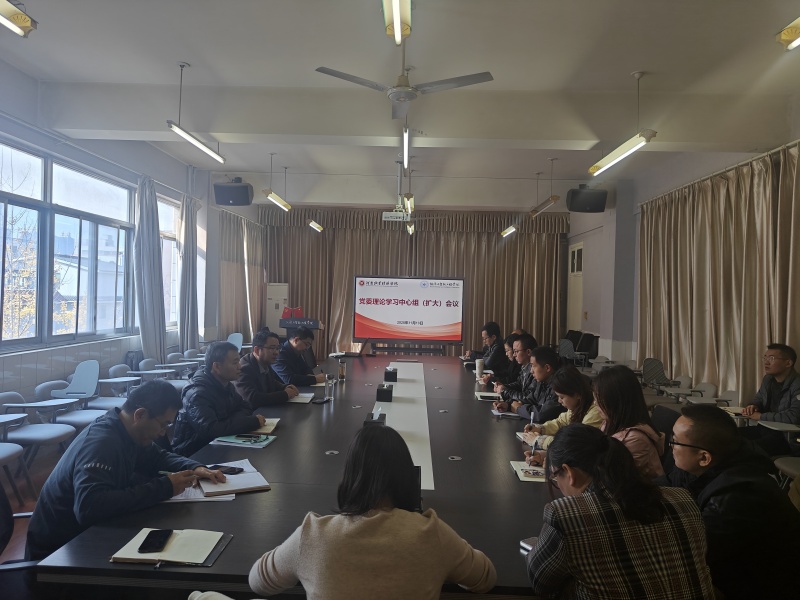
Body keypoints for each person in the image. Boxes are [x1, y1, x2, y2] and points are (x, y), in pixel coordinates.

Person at [248, 426, 496, 599]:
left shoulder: (313, 536)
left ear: (350, 476)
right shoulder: (432, 534)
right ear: (407, 477)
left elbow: (257, 582)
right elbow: (485, 578)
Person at [25, 380, 226, 560]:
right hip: (59, 553)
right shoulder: (102, 444)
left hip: (90, 533)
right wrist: (165, 487)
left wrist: (195, 466)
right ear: (140, 414)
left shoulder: (127, 430)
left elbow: (158, 456)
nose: (162, 433)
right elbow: (89, 507)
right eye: (163, 425)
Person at [526, 424, 714, 599]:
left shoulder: (566, 515)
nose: (557, 485)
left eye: (555, 477)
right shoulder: (684, 498)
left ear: (569, 472)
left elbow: (540, 583)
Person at [662, 404, 800, 599]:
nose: (671, 446)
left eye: (675, 441)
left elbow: (692, 553)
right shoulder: (715, 459)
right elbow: (668, 483)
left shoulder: (738, 497)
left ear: (704, 457)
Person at [172, 341, 266, 457]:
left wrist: (227, 423)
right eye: (235, 362)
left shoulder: (226, 385)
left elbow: (245, 406)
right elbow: (211, 430)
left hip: (220, 444)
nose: (240, 366)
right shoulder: (197, 393)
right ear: (216, 366)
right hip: (194, 453)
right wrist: (252, 421)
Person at [593, 365, 665, 478]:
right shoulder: (609, 422)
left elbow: (609, 474)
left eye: (599, 399)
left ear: (617, 401)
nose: (595, 403)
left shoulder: (635, 439)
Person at [522, 366, 603, 464]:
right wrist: (540, 429)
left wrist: (539, 440)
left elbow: (574, 445)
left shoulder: (595, 413)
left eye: (562, 397)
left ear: (577, 394)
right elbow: (560, 422)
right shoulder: (577, 406)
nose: (559, 401)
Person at [740, 343, 800, 455]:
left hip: (786, 438)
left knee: (744, 448)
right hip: (764, 429)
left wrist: (760, 416)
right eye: (765, 358)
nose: (766, 362)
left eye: (771, 358)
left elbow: (794, 417)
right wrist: (753, 406)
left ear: (788, 363)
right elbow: (758, 398)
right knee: (729, 435)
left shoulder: (797, 384)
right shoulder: (768, 379)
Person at [235, 329, 300, 408]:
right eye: (272, 348)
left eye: (277, 348)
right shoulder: (244, 368)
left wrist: (285, 387)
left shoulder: (265, 362)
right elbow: (252, 398)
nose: (276, 352)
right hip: (253, 412)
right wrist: (285, 394)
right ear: (257, 350)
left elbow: (272, 382)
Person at [492, 333, 537, 413]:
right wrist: (503, 386)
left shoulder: (536, 372)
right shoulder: (524, 367)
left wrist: (505, 390)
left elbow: (527, 397)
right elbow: (519, 384)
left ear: (528, 352)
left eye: (516, 351)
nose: (514, 354)